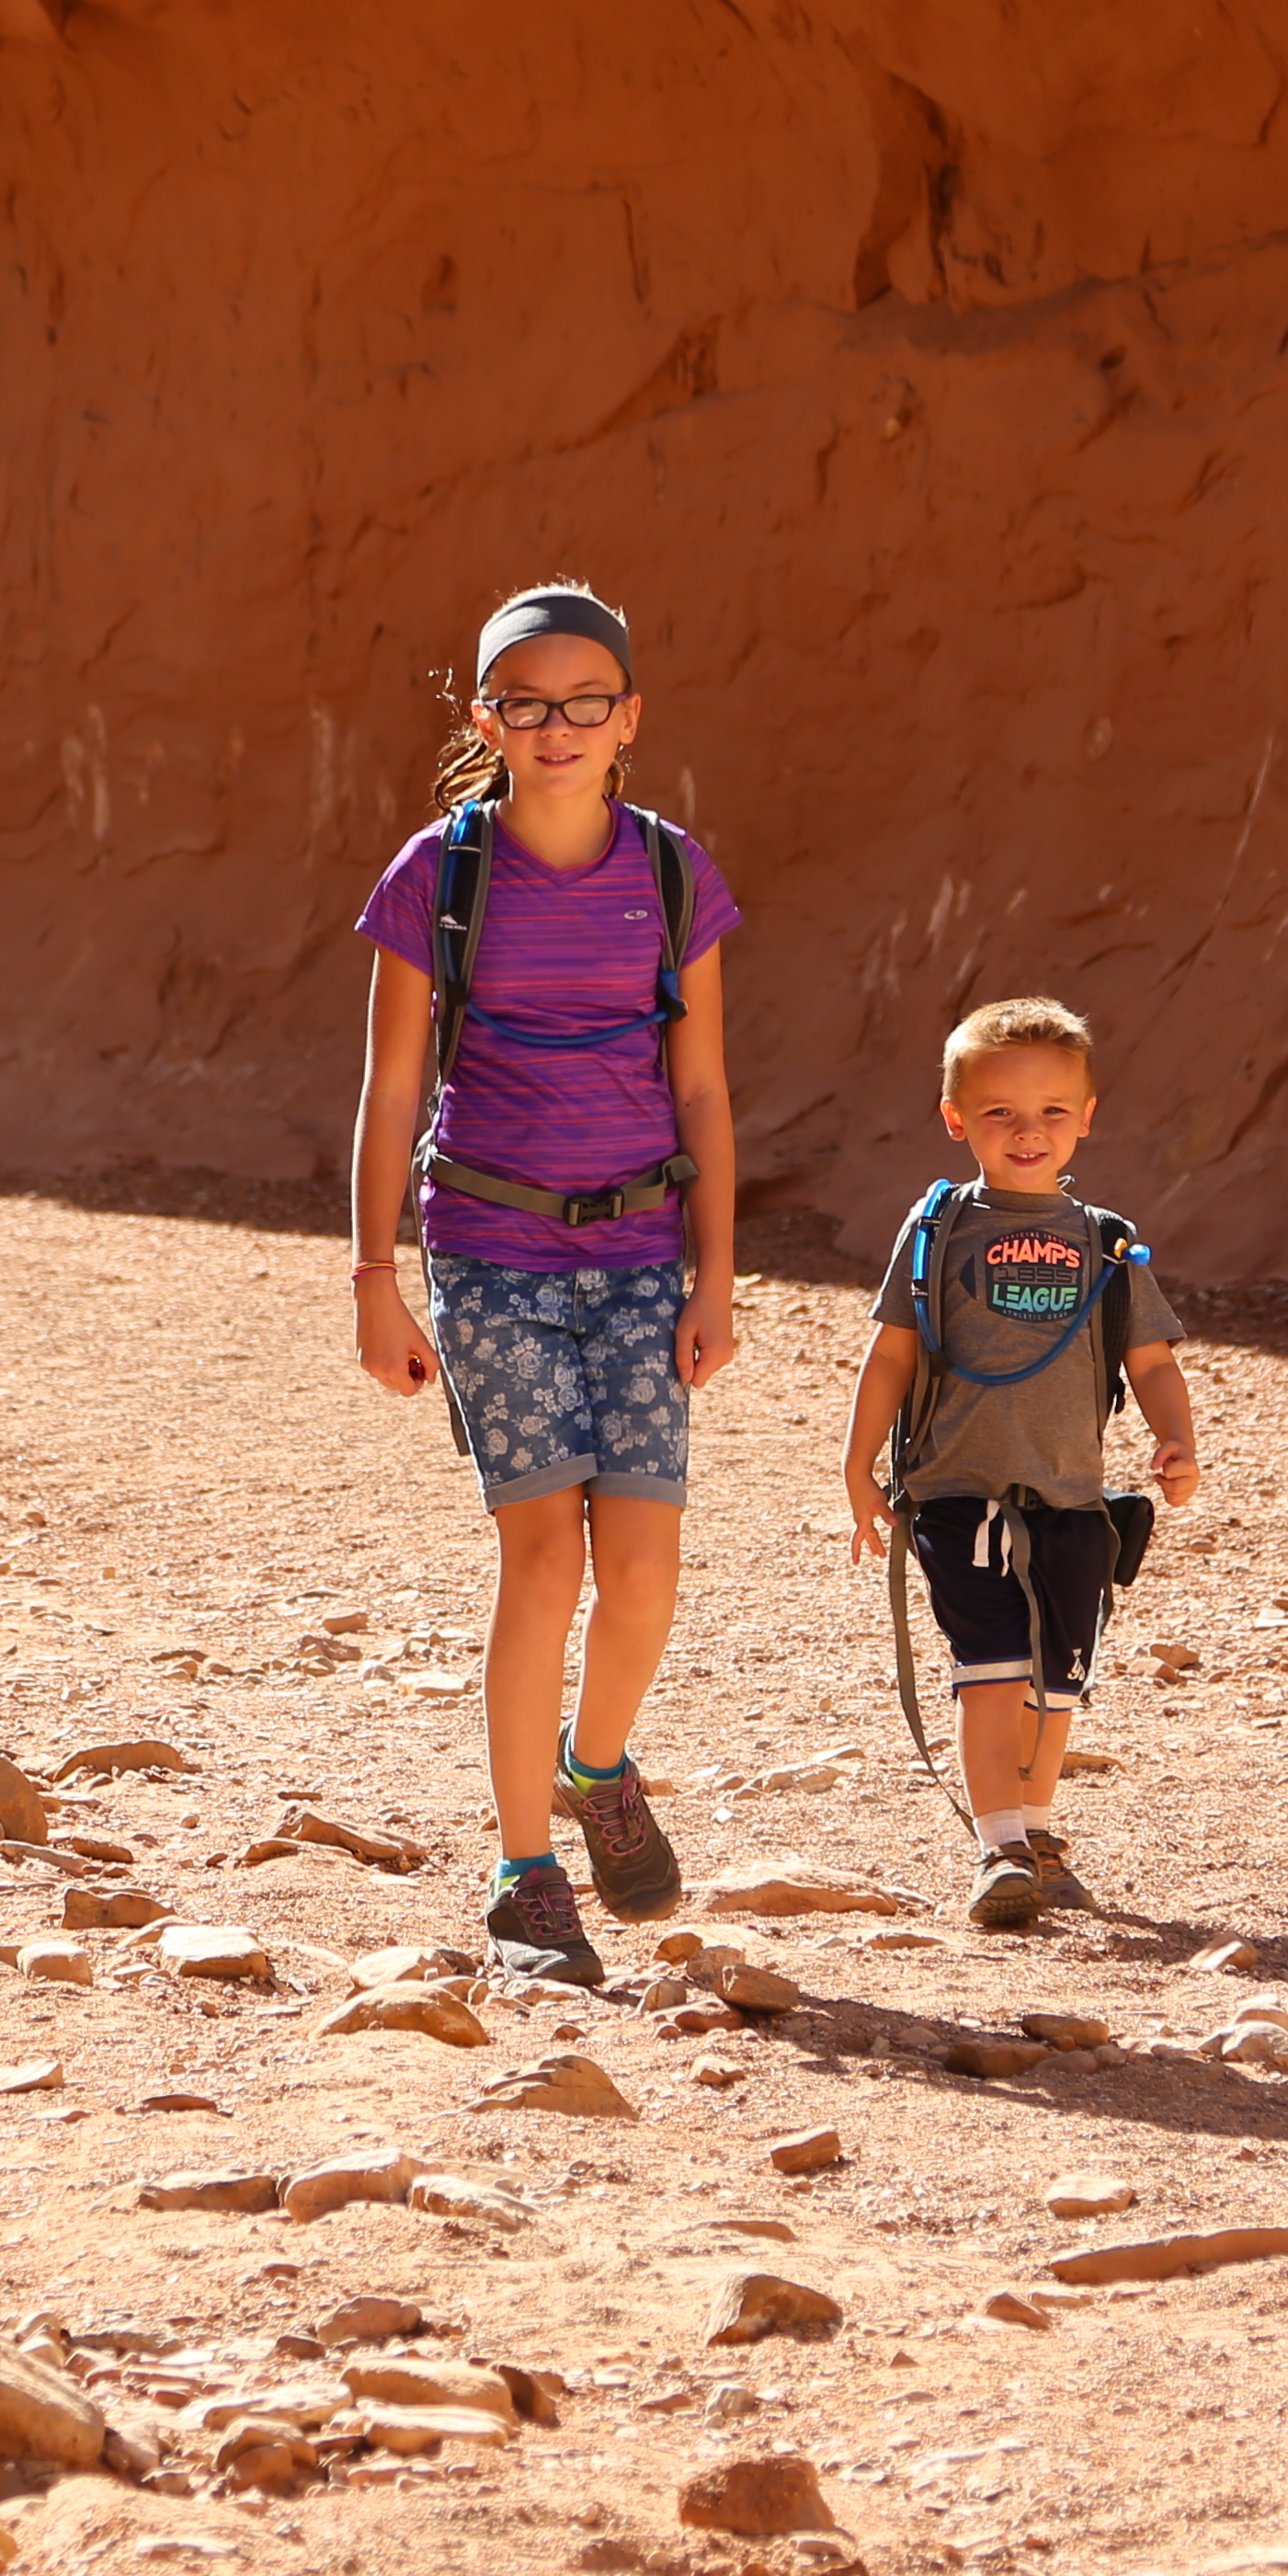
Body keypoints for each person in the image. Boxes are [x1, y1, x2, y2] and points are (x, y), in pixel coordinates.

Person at [347, 581, 741, 1987]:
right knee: (545, 1557)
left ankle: (597, 1767)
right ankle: (525, 1877)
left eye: (587, 703)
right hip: (491, 1249)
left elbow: (701, 1082)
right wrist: (373, 1278)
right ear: (487, 717)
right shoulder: (438, 874)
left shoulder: (672, 871)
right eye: (528, 702)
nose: (559, 727)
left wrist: (717, 1275)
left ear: (629, 717)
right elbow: (394, 1084)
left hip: (641, 1255)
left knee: (643, 1568)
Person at [841, 996, 1202, 1929]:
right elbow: (890, 1354)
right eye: (1000, 1111)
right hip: (955, 1488)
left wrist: (1178, 1441)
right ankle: (998, 1847)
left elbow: (1151, 1360)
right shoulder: (936, 1232)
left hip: (1072, 1496)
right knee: (991, 1664)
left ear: (1087, 1116)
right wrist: (856, 1469)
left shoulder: (1109, 1243)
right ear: (957, 1120)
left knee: (1058, 1676)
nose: (1027, 1131)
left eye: (1050, 1111)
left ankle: (1036, 1833)